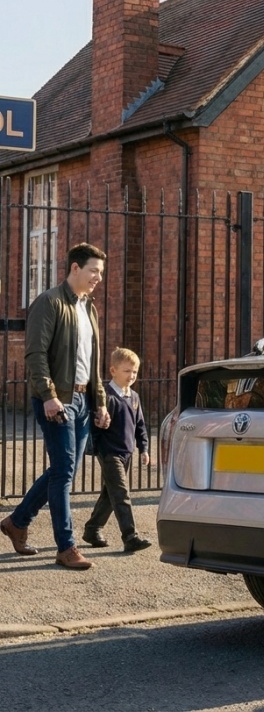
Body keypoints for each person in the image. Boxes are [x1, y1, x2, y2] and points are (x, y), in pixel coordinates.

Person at [1, 242, 110, 570]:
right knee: (63, 470)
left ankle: (17, 522)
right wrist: (49, 396)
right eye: (93, 271)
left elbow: (92, 363)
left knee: (64, 470)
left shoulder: (87, 307)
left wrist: (100, 402)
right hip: (56, 399)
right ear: (75, 268)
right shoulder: (48, 302)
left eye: (101, 273)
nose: (98, 278)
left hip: (81, 399)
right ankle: (66, 546)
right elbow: (35, 355)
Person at [82, 347, 152, 553]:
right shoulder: (107, 396)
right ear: (113, 371)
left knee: (109, 494)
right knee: (121, 494)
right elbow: (95, 424)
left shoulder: (135, 397)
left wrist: (144, 449)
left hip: (126, 452)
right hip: (109, 452)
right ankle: (130, 536)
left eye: (135, 372)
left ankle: (92, 530)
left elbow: (140, 426)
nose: (131, 376)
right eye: (126, 371)